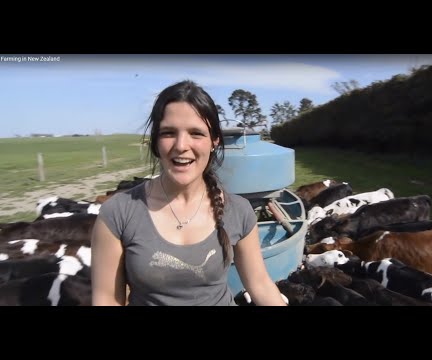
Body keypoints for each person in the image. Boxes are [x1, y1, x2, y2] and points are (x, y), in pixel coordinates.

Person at [91, 80, 287, 306]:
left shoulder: (239, 211)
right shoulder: (118, 213)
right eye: (168, 133)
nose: (181, 145)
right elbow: (106, 298)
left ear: (214, 142)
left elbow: (260, 285)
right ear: (155, 141)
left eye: (196, 133)